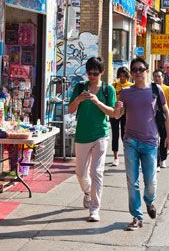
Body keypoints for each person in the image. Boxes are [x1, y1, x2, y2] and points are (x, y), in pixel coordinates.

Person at [117, 57, 169, 231]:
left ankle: (149, 202)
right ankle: (136, 216)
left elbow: (165, 114)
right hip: (130, 141)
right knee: (132, 181)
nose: (138, 73)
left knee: (150, 181)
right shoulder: (125, 92)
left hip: (150, 142)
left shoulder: (156, 90)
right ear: (131, 74)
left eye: (141, 69)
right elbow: (118, 114)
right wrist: (117, 106)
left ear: (147, 70)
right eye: (134, 70)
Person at [68, 56, 120, 222]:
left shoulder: (108, 89)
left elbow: (113, 113)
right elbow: (70, 110)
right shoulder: (80, 87)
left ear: (102, 73)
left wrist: (97, 101)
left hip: (100, 135)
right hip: (82, 134)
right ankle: (88, 191)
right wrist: (78, 99)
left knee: (96, 172)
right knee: (80, 172)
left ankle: (95, 209)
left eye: (95, 73)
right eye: (89, 73)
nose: (91, 76)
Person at [153, 69, 169, 170]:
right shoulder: (151, 88)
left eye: (159, 76)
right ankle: (157, 162)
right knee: (155, 139)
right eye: (155, 76)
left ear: (163, 78)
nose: (157, 78)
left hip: (165, 116)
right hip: (153, 116)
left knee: (164, 138)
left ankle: (163, 158)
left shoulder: (168, 89)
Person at [110, 66, 133, 166]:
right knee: (115, 134)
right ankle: (115, 157)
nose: (122, 78)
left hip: (126, 114)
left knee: (125, 135)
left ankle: (127, 155)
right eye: (120, 76)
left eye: (124, 76)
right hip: (115, 112)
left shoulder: (131, 86)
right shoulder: (114, 85)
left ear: (127, 76)